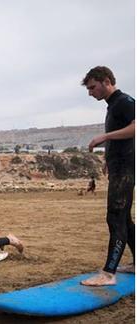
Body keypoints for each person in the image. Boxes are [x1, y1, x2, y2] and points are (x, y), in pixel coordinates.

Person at [81, 66, 135, 286]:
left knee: (115, 218)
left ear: (106, 81)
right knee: (125, 219)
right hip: (119, 167)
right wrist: (107, 159)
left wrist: (103, 137)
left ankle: (108, 274)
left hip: (126, 169)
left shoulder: (123, 101)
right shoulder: (113, 105)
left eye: (93, 87)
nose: (90, 93)